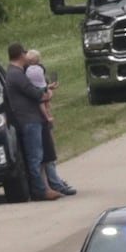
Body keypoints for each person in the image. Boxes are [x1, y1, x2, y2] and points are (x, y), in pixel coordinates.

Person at [4, 42, 61, 200]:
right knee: (35, 156)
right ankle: (39, 190)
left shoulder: (16, 72)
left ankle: (45, 187)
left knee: (39, 155)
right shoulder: (16, 74)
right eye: (24, 53)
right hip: (28, 119)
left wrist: (46, 87)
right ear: (21, 54)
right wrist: (46, 95)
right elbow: (32, 92)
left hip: (32, 118)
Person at [25, 50, 76, 196]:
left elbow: (43, 92)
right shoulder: (35, 74)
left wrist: (49, 88)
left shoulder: (31, 73)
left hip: (42, 116)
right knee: (49, 153)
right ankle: (55, 183)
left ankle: (55, 181)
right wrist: (47, 112)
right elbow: (41, 97)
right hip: (42, 118)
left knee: (49, 152)